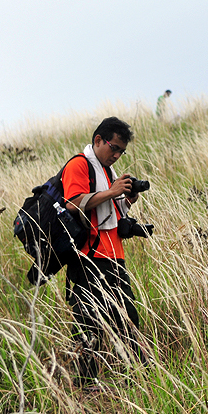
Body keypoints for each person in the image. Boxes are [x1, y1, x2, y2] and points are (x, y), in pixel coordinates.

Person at [61, 116, 147, 387]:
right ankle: (86, 385)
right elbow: (74, 203)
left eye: (122, 151)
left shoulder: (107, 172)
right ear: (98, 140)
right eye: (114, 148)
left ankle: (137, 376)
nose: (117, 155)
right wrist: (112, 192)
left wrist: (126, 200)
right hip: (88, 257)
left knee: (127, 316)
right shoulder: (79, 165)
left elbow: (109, 213)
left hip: (113, 255)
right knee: (89, 323)